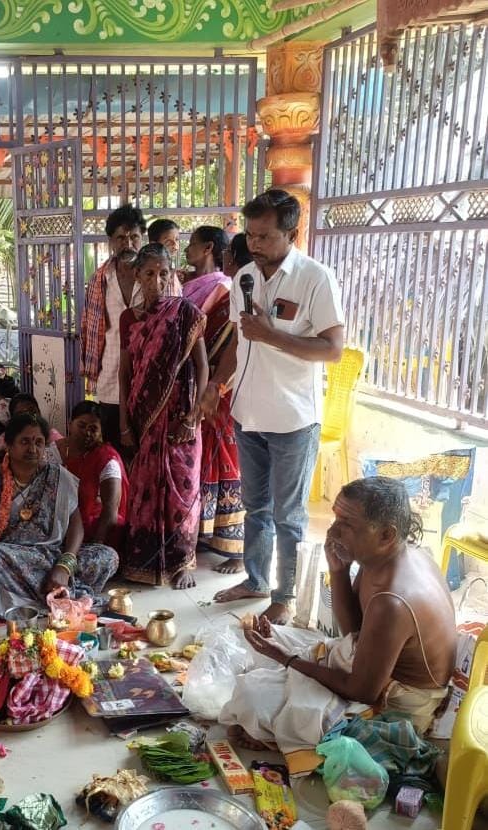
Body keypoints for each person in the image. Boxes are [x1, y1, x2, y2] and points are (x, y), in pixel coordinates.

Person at [220, 478, 456, 760]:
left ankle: (281, 726)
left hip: (397, 707)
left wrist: (287, 659)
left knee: (252, 696)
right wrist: (338, 572)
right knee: (258, 643)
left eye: (347, 524)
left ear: (386, 535)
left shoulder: (391, 601)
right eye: (335, 518)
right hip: (369, 671)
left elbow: (362, 691)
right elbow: (353, 632)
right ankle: (278, 711)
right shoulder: (385, 557)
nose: (332, 530)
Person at [208, 190, 344, 624]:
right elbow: (238, 341)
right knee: (256, 507)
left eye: (265, 236)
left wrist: (271, 335)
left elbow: (333, 349)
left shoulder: (315, 278)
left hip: (293, 419)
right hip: (247, 413)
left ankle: (284, 596)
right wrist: (216, 384)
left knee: (288, 516)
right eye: (250, 235)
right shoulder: (244, 277)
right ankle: (255, 580)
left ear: (292, 233)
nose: (255, 244)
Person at [0, 412, 119, 614]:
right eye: (25, 442)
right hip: (14, 557)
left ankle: (52, 587)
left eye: (39, 442)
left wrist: (65, 565)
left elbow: (76, 527)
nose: (32, 449)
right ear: (9, 445)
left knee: (108, 556)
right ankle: (59, 592)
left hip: (54, 554)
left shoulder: (59, 476)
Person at [119, 243, 208, 589]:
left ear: (171, 275)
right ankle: (143, 561)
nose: (156, 281)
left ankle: (182, 561)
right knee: (145, 487)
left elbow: (202, 367)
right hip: (144, 417)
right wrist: (125, 423)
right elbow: (126, 373)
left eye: (163, 274)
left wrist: (194, 416)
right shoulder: (130, 318)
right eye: (149, 273)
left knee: (182, 487)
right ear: (138, 275)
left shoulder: (185, 312)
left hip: (181, 416)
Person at [183, 226, 245, 573]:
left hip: (229, 390)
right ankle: (210, 534)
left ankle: (237, 548)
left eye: (230, 258)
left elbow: (236, 347)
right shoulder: (224, 293)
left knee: (232, 462)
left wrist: (216, 386)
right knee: (210, 460)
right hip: (211, 387)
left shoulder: (232, 293)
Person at [80, 205, 146, 449]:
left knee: (145, 449)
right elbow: (90, 327)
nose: (128, 243)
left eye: (134, 237)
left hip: (147, 377)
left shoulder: (159, 276)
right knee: (113, 449)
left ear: (142, 238)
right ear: (110, 242)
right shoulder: (100, 279)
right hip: (110, 376)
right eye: (120, 238)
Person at [59, 400, 129, 550]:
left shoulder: (107, 459)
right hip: (57, 524)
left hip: (93, 529)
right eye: (81, 425)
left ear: (101, 432)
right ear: (70, 424)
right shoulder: (54, 451)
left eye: (93, 429)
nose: (87, 432)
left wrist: (96, 546)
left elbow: (110, 510)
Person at [0, 392, 64, 466]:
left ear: (39, 412)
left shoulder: (52, 434)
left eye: (32, 411)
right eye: (21, 414)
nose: (28, 417)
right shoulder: (4, 440)